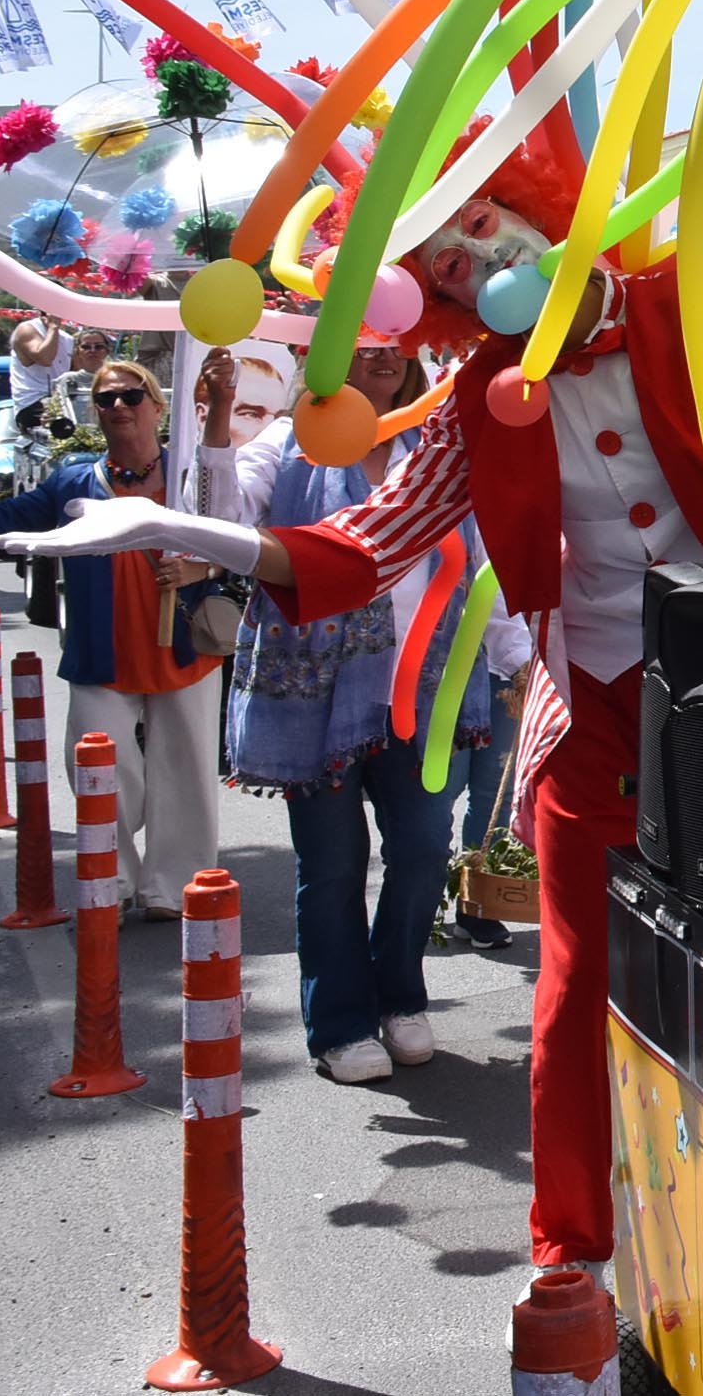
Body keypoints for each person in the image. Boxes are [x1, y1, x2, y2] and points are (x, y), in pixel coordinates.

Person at [0, 122, 703, 1279]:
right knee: (572, 997)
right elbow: (366, 540)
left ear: (536, 205)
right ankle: (575, 1254)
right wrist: (175, 527)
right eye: (445, 264)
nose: (475, 258)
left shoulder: (702, 312)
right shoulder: (476, 399)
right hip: (596, 715)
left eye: (481, 225)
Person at [202, 337, 533, 1084]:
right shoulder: (289, 446)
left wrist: (517, 660)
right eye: (364, 341)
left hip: (427, 693)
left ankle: (400, 997)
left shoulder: (436, 448)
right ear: (329, 354)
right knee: (332, 865)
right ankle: (341, 1023)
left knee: (421, 850)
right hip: (314, 698)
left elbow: (487, 559)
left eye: (394, 343)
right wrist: (219, 421)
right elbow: (222, 524)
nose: (382, 355)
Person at [0, 357, 233, 916]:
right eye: (105, 398)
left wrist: (204, 569)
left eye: (131, 395)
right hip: (104, 651)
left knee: (188, 771)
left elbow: (237, 538)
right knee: (99, 769)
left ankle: (174, 889)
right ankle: (111, 883)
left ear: (157, 406)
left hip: (185, 648)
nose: (118, 406)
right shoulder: (73, 480)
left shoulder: (193, 474)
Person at [8, 308, 62, 429]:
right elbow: (45, 358)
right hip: (32, 403)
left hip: (60, 400)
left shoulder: (66, 338)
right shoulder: (26, 329)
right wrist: (53, 327)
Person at [55, 328, 110, 429]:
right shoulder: (66, 379)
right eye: (86, 347)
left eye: (98, 347)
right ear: (78, 352)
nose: (92, 350)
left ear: (107, 351)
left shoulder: (117, 379)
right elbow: (56, 409)